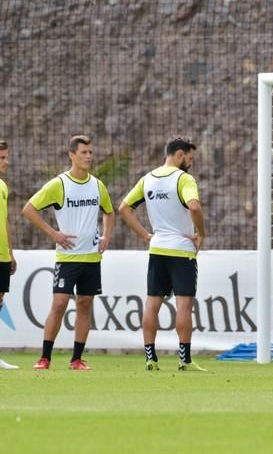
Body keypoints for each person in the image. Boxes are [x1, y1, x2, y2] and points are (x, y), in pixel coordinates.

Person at [23, 135, 114, 371]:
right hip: (67, 259)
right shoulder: (59, 184)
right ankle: (45, 357)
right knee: (59, 303)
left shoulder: (97, 185)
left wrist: (106, 236)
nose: (88, 156)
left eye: (90, 152)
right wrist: (54, 234)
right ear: (71, 155)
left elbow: (109, 212)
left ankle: (76, 359)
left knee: (84, 304)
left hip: (92, 258)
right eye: (83, 152)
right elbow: (29, 209)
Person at [119, 136, 206, 372]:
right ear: (179, 154)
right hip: (181, 249)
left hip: (157, 248)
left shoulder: (148, 179)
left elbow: (124, 208)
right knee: (184, 306)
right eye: (189, 157)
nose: (190, 162)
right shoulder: (183, 179)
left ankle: (150, 357)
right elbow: (195, 207)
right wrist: (200, 232)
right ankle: (184, 359)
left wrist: (145, 236)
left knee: (152, 305)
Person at [0, 141, 18, 370]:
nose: (6, 162)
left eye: (6, 157)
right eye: (2, 158)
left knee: (0, 300)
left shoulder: (3, 186)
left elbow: (4, 220)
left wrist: (11, 252)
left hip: (3, 254)